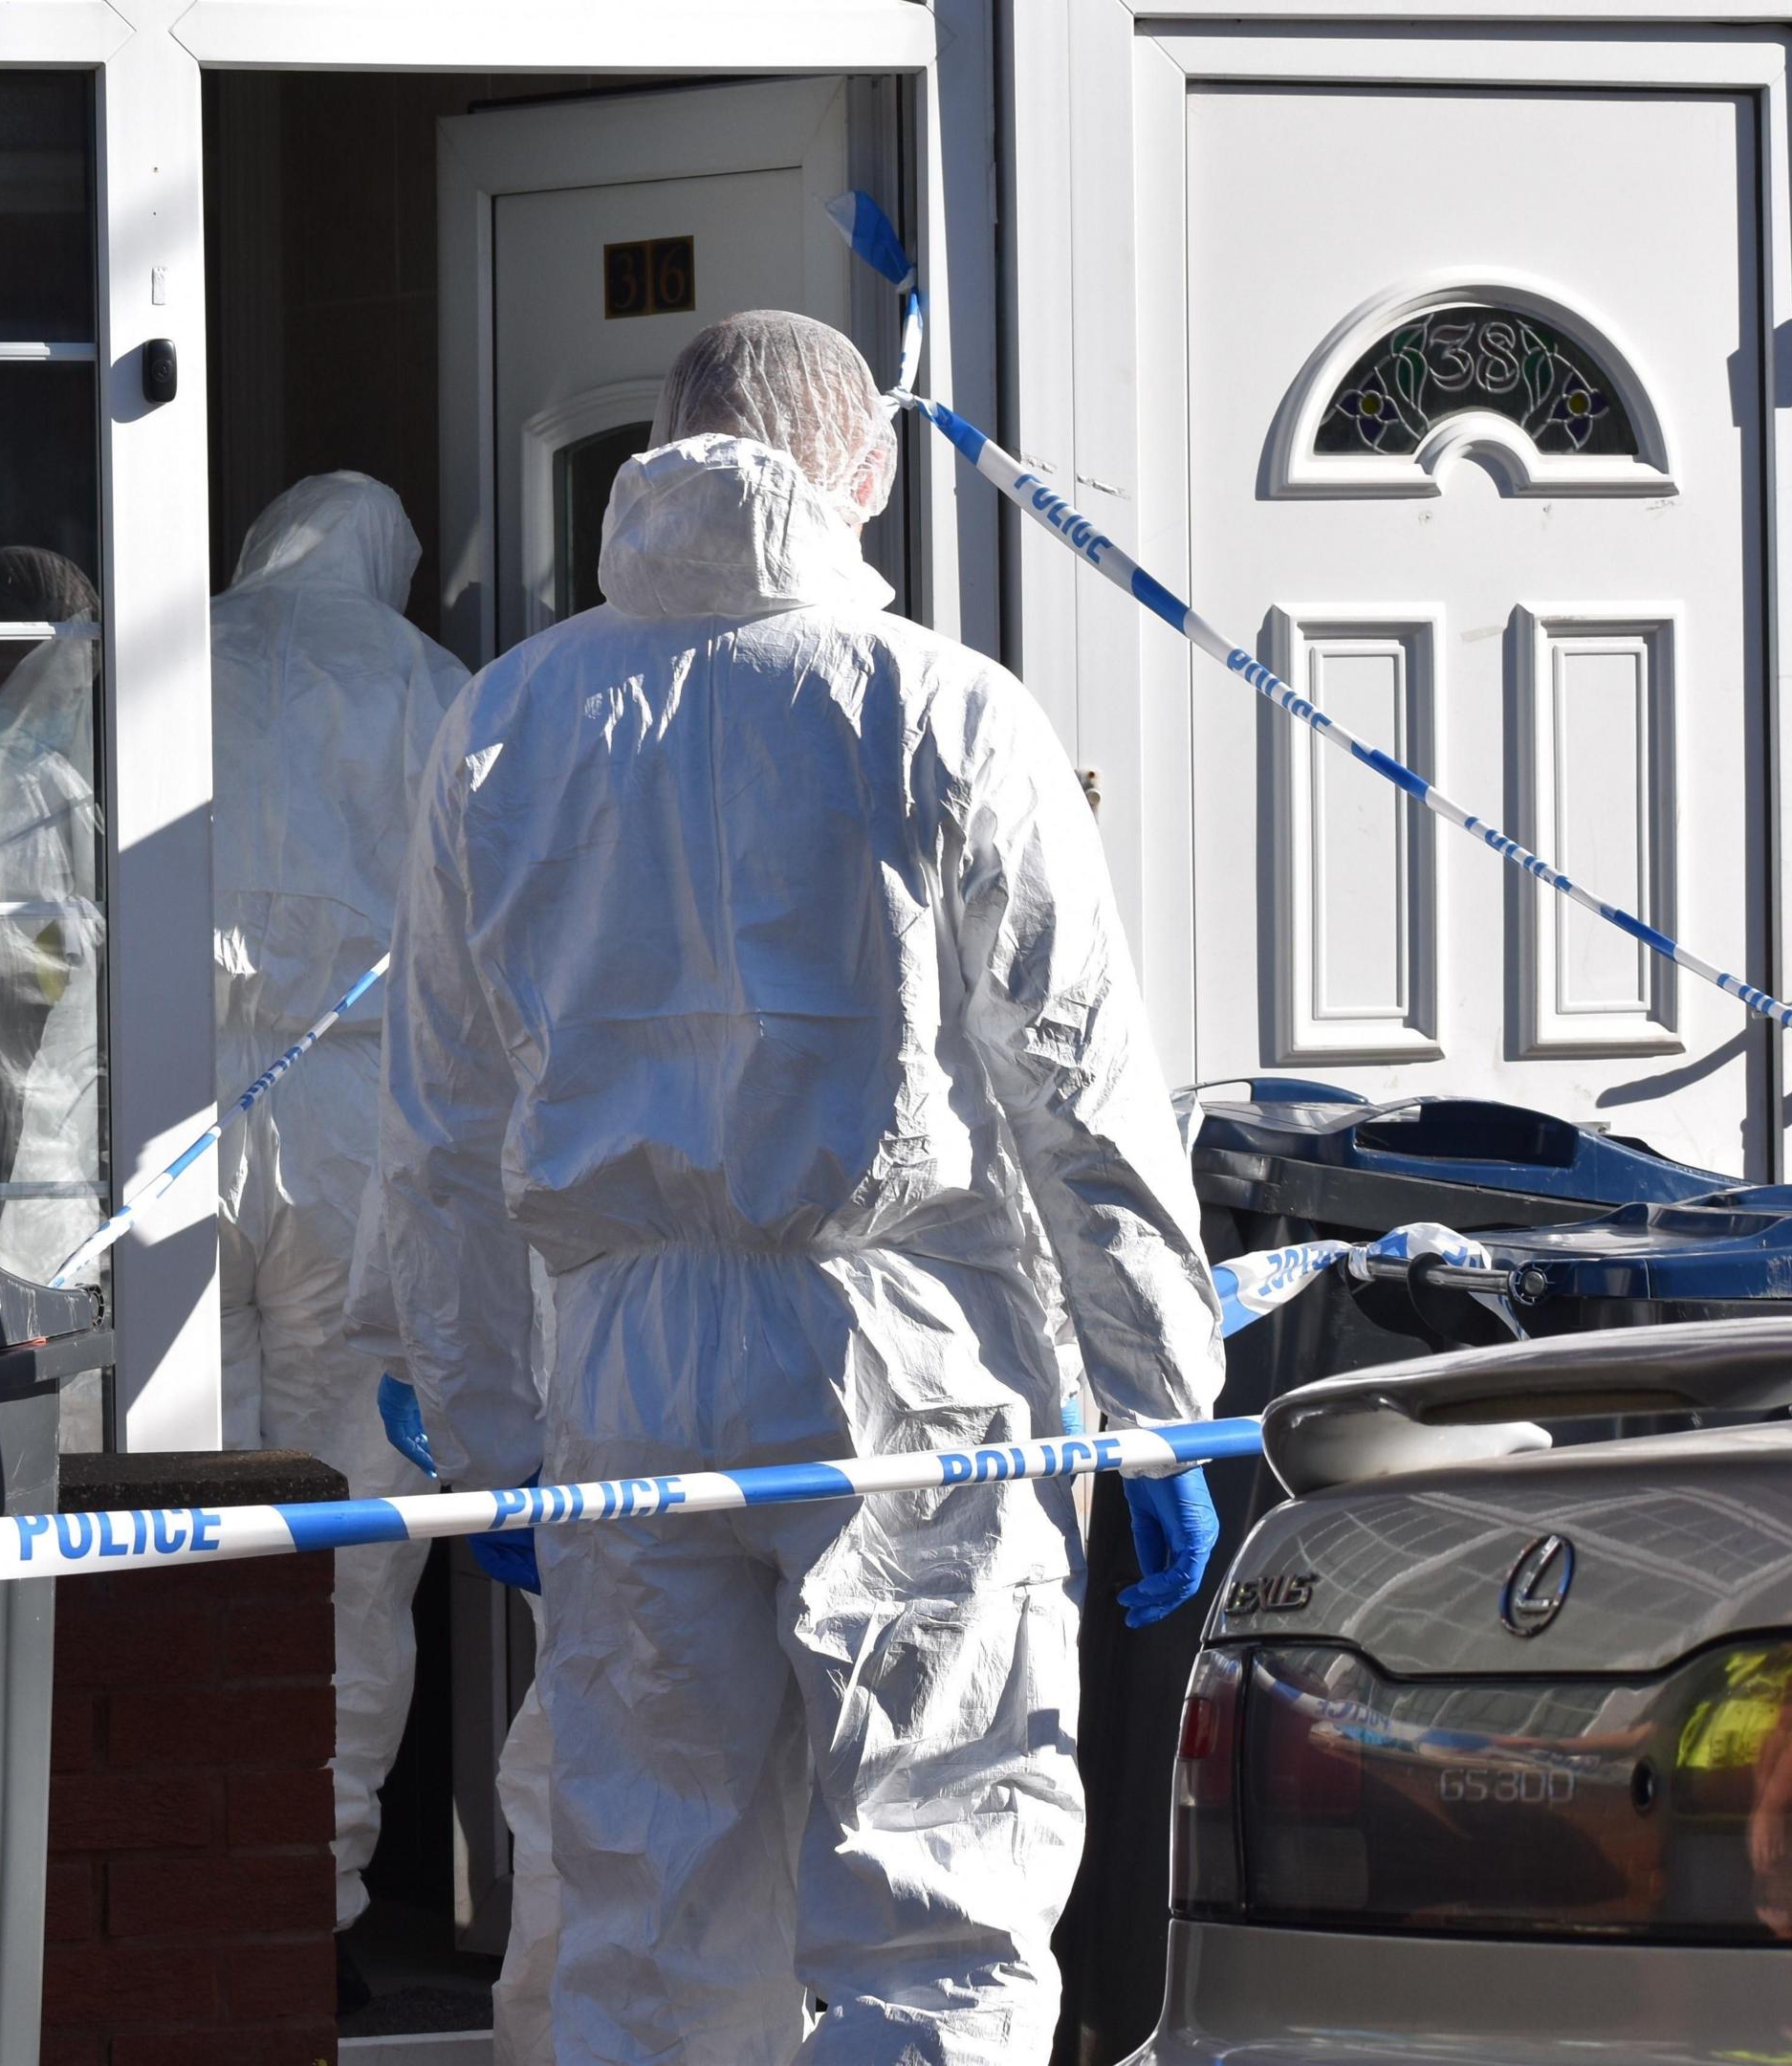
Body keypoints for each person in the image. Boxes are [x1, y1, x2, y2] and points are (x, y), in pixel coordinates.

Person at [349, 311, 1226, 2065]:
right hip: (910, 1362)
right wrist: (1158, 1411)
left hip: (623, 1370)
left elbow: (443, 1111)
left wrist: (480, 1416)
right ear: (873, 472)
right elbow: (1082, 1100)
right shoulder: (946, 712)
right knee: (936, 1892)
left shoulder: (513, 718)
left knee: (644, 1910)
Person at [208, 474, 473, 1958]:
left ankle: (190, 1865)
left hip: (160, 1110)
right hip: (360, 1126)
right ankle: (318, 1907)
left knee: (171, 1499)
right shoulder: (430, 684)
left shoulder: (151, 664)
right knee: (351, 1535)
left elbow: (2, 893)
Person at [0, 548, 107, 1280]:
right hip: (10, 1113)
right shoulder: (0, 776)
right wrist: (64, 946)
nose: (76, 695)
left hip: (52, 1112)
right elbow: (10, 951)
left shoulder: (47, 777)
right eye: (63, 680)